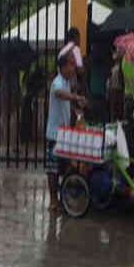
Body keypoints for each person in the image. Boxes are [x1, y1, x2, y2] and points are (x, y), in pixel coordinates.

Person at [46, 54, 86, 212]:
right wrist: (75, 97)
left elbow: (65, 103)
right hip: (54, 134)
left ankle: (63, 197)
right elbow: (59, 94)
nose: (73, 68)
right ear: (62, 67)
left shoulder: (67, 83)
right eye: (71, 65)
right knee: (53, 169)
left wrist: (77, 111)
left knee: (67, 166)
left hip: (65, 133)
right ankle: (53, 200)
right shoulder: (57, 82)